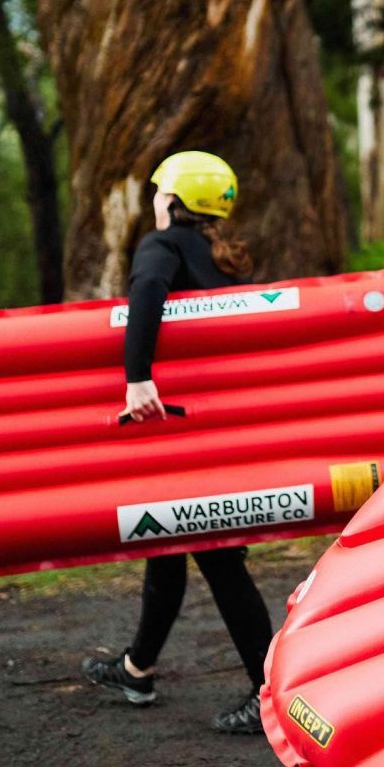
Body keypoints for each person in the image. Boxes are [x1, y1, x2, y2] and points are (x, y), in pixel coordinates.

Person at [82, 151, 272, 735]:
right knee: (166, 539)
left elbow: (146, 295)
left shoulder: (161, 248)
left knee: (216, 557)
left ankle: (272, 695)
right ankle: (138, 668)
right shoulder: (225, 261)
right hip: (221, 428)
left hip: (179, 426)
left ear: (172, 200)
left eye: (160, 192)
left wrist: (137, 377)